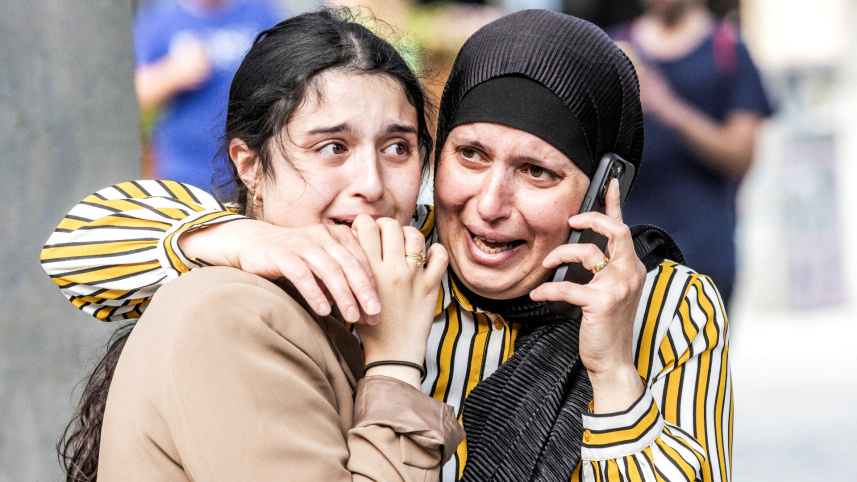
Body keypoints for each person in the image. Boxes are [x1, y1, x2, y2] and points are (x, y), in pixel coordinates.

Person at [43, 10, 731, 481]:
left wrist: (613, 376)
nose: (490, 204)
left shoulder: (666, 308)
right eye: (470, 155)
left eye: (536, 172)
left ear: (604, 190)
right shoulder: (383, 257)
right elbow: (74, 246)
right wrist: (241, 236)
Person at [54, 10, 463, 481]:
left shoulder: (407, 258)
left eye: (397, 148)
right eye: (333, 147)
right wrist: (394, 361)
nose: (372, 184)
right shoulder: (230, 312)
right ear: (248, 166)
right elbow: (71, 246)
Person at [612, 0, 773, 307]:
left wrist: (668, 107)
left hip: (706, 259)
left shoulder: (729, 50)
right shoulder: (615, 47)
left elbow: (742, 156)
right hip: (624, 257)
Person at [134, 0, 281, 191]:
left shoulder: (260, 9)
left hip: (250, 169)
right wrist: (173, 73)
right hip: (184, 173)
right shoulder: (161, 17)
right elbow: (133, 95)